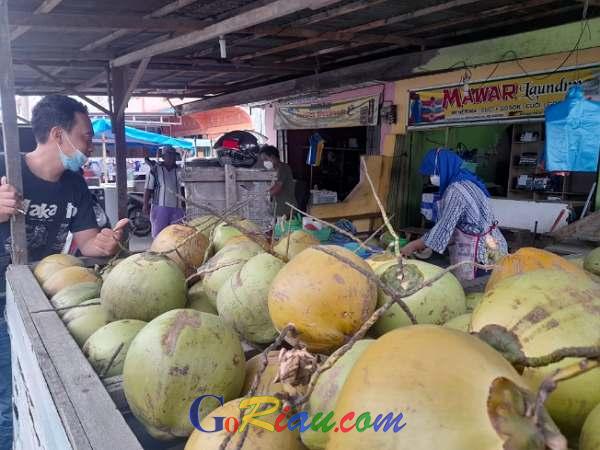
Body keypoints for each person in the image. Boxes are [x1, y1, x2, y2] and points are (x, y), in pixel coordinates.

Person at [0, 94, 128, 450]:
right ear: (59, 135)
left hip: (42, 297)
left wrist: (105, 244)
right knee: (6, 390)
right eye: (86, 135)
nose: (89, 144)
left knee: (33, 384)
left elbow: (88, 244)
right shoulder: (6, 168)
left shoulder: (75, 184)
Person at [401, 148, 507, 281]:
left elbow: (444, 227)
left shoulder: (456, 190)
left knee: (477, 293)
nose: (430, 178)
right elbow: (455, 225)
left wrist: (413, 245)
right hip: (494, 246)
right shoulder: (468, 182)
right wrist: (429, 244)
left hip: (479, 254)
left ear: (442, 168)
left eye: (433, 173)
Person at [143, 146, 184, 238]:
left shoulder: (180, 170)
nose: (171, 158)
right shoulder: (155, 170)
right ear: (164, 157)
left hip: (177, 207)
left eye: (173, 155)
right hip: (160, 207)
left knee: (177, 236)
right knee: (159, 236)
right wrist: (145, 204)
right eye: (169, 155)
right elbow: (148, 188)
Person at [258, 145, 297, 218]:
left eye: (266, 159)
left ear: (272, 157)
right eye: (263, 161)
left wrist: (263, 197)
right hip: (278, 206)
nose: (264, 162)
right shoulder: (273, 170)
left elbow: (278, 188)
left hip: (286, 208)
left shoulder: (283, 168)